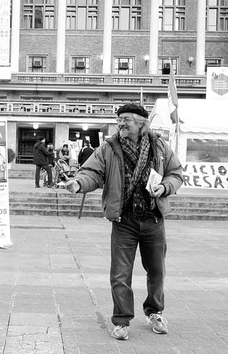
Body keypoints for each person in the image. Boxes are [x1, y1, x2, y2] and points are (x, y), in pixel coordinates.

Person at [65, 103, 183, 341]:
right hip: (124, 220)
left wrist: (165, 187)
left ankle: (154, 312)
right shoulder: (110, 147)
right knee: (120, 273)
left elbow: (176, 173)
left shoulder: (159, 146)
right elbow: (93, 173)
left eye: (126, 119)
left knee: (157, 270)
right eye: (119, 119)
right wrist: (79, 183)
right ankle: (121, 320)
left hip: (153, 219)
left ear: (141, 122)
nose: (121, 123)